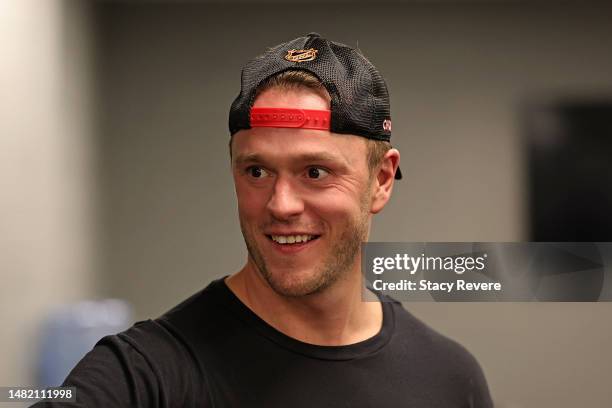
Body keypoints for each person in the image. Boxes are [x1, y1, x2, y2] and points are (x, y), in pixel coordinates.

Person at [34, 33, 493, 407]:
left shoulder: (450, 378)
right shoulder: (146, 376)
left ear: (382, 180)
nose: (281, 204)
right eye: (257, 171)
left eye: (315, 172)